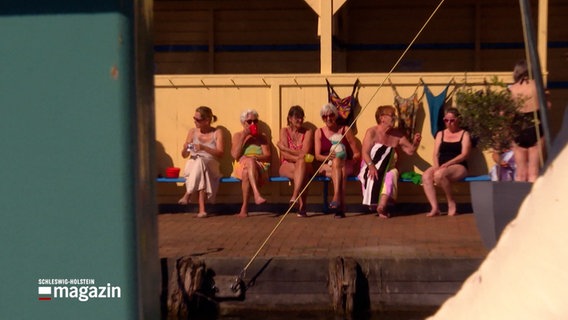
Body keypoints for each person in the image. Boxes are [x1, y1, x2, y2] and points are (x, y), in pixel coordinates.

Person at [358, 105, 422, 218]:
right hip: (371, 165)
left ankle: (381, 207)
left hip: (388, 167)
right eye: (392, 115)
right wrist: (371, 166)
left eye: (395, 116)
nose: (395, 118)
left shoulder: (397, 135)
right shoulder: (372, 132)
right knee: (374, 174)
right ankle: (374, 202)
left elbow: (410, 150)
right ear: (382, 118)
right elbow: (365, 153)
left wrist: (416, 143)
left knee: (393, 174)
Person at [422, 107, 472, 217]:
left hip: (458, 165)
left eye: (452, 120)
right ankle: (435, 208)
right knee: (426, 176)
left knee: (439, 175)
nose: (449, 123)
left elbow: (464, 155)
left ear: (458, 120)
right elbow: (435, 154)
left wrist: (448, 164)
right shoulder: (441, 134)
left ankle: (451, 202)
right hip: (441, 164)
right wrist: (436, 166)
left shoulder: (464, 134)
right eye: (446, 120)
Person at [314, 103, 361, 218]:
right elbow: (317, 156)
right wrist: (329, 157)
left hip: (345, 162)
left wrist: (355, 157)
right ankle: (341, 206)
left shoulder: (345, 130)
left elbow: (356, 152)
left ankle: (336, 197)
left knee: (340, 166)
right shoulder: (319, 132)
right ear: (322, 118)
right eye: (325, 117)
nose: (328, 118)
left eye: (331, 115)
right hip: (327, 164)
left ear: (335, 115)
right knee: (340, 170)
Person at [178, 106, 224, 218]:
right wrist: (185, 148)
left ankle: (188, 194)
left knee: (201, 162)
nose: (195, 121)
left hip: (211, 162)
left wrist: (203, 148)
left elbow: (220, 153)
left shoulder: (217, 132)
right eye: (194, 118)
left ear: (207, 121)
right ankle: (202, 210)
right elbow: (185, 155)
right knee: (201, 166)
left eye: (197, 119)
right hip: (194, 164)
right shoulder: (192, 132)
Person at [508, 59, 551, 182]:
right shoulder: (538, 86)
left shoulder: (512, 89)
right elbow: (548, 106)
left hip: (518, 127)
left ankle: (520, 200)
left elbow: (506, 113)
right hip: (536, 126)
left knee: (520, 174)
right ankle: (534, 200)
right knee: (534, 173)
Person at [231, 109, 271, 218]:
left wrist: (255, 157)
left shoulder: (262, 136)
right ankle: (256, 194)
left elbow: (267, 155)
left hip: (259, 164)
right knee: (247, 166)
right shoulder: (238, 136)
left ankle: (244, 208)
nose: (253, 124)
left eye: (255, 121)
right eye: (249, 122)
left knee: (248, 169)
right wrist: (244, 137)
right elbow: (235, 155)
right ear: (243, 123)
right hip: (241, 164)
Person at [277, 105, 314, 217]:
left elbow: (304, 152)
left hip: (306, 164)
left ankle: (294, 196)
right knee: (302, 171)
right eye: (297, 117)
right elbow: (285, 156)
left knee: (302, 166)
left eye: (302, 117)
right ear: (289, 118)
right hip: (287, 165)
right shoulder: (284, 131)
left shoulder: (308, 132)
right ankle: (302, 207)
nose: (300, 120)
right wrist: (299, 158)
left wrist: (285, 148)